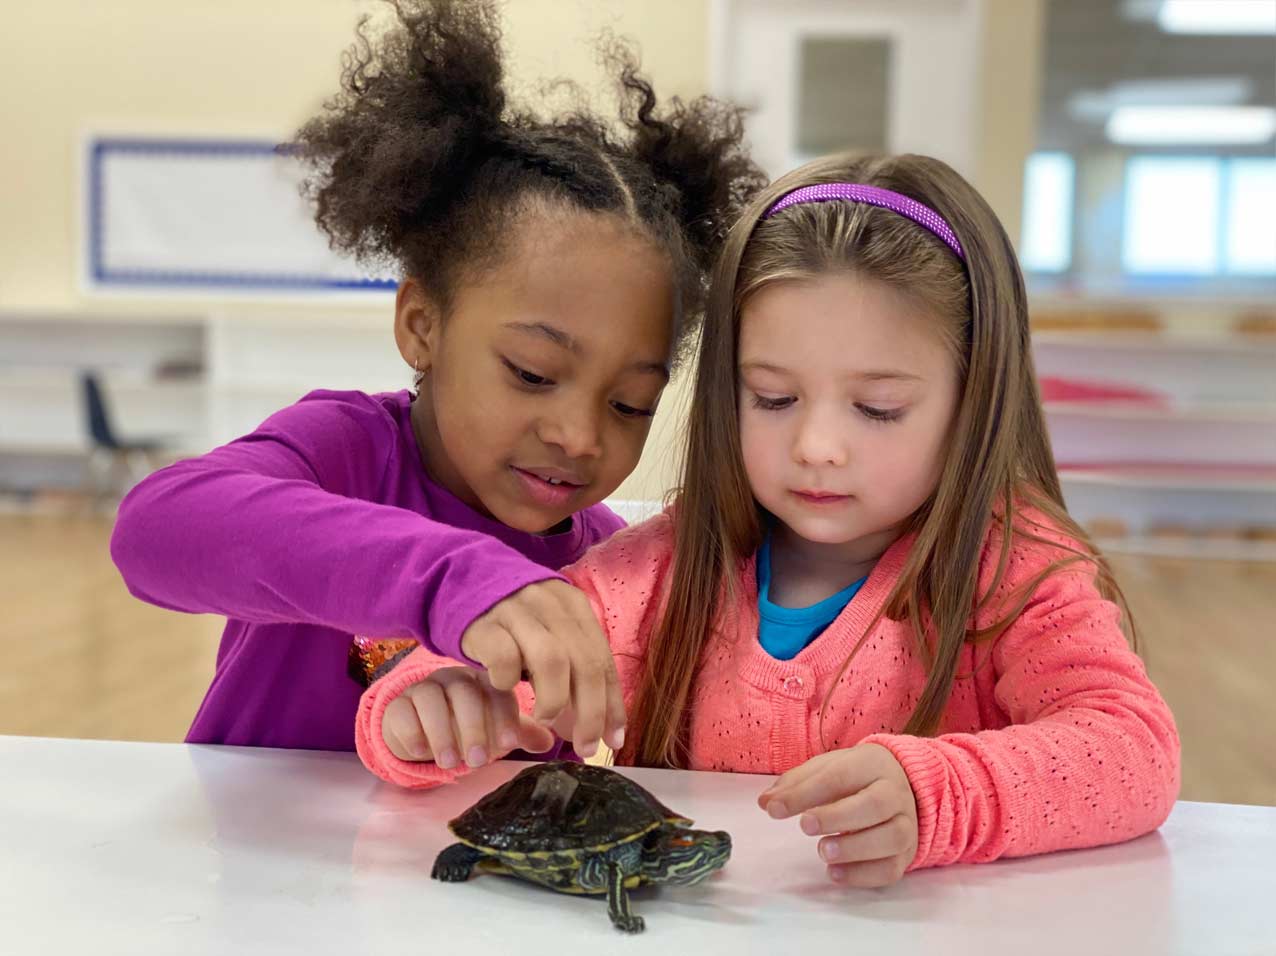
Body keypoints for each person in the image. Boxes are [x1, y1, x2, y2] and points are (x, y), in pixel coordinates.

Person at [109, 0, 763, 755]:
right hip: (239, 866)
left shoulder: (608, 569)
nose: (581, 436)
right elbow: (154, 530)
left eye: (629, 403)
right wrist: (451, 578)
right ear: (423, 324)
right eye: (532, 372)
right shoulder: (347, 453)